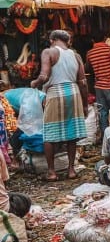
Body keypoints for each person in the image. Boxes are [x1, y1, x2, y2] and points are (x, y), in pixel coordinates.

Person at [30, 30, 87, 181]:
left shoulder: (49, 52)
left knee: (49, 133)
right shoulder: (76, 55)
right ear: (67, 40)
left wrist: (34, 83)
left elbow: (44, 75)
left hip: (55, 92)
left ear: (52, 39)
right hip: (73, 92)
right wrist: (85, 104)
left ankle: (52, 172)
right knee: (71, 133)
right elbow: (83, 82)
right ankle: (71, 170)